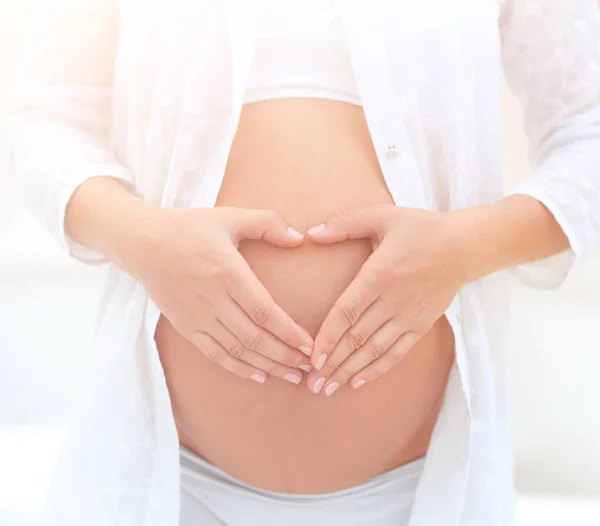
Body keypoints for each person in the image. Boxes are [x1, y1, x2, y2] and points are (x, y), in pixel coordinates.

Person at [8, 0, 600, 525]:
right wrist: (141, 238)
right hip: (166, 483)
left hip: (417, 492)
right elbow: (42, 118)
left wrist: (461, 248)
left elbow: (589, 133)